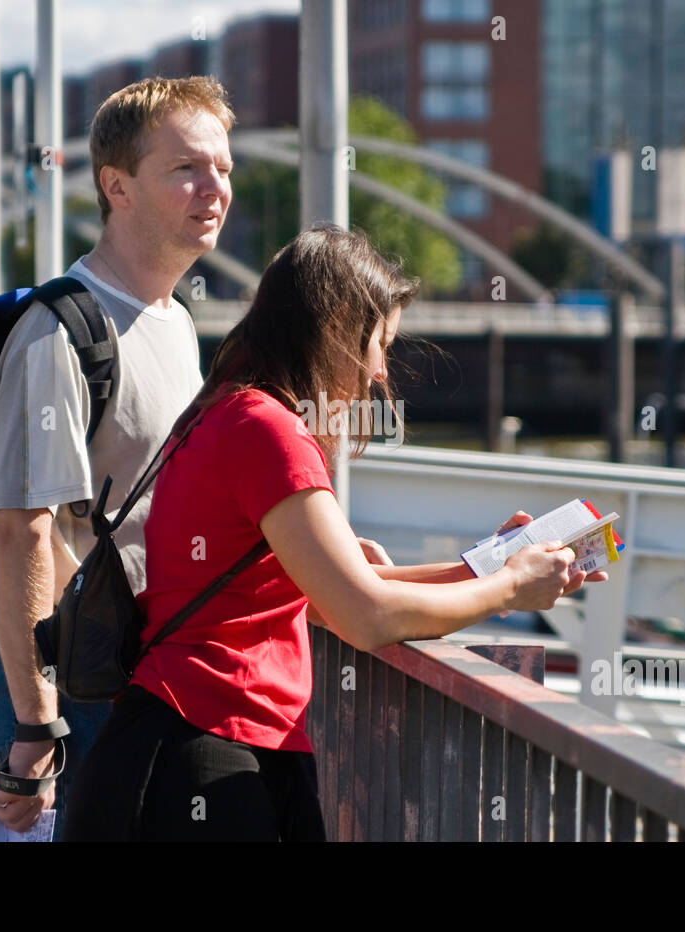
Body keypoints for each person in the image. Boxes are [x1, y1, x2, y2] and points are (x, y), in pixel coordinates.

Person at [63, 225, 609, 842]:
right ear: (338, 329)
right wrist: (509, 588)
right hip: (206, 751)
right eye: (380, 344)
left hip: (184, 742)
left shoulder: (228, 411)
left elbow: (324, 594)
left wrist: (486, 567)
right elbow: (363, 615)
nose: (379, 371)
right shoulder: (268, 432)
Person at [0, 75, 239, 840]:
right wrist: (35, 731)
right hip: (79, 693)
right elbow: (19, 532)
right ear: (116, 185)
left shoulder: (177, 321)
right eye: (188, 168)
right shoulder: (61, 332)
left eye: (224, 168)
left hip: (151, 680)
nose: (215, 188)